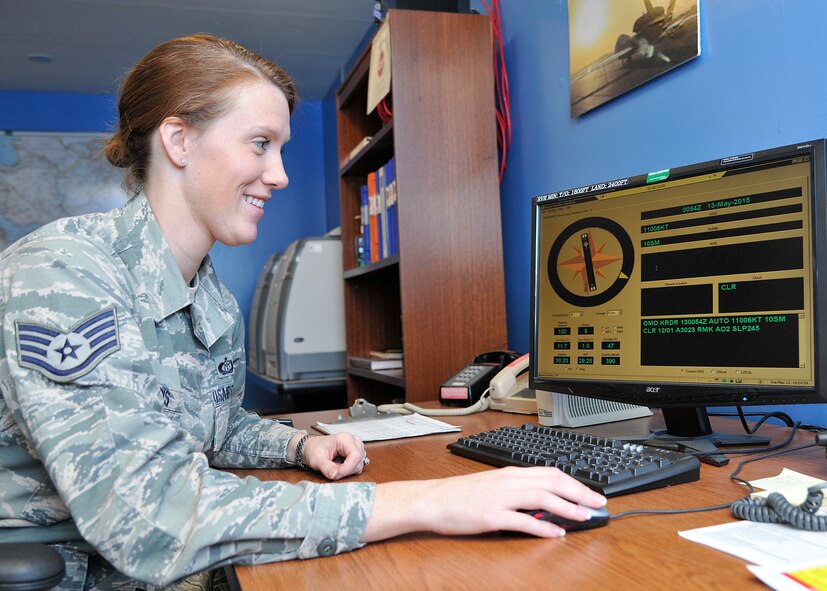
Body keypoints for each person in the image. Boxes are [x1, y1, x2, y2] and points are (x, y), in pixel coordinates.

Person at [0, 34, 606, 590]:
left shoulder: (207, 293)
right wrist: (429, 502)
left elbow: (214, 428)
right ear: (179, 141)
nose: (281, 175)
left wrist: (299, 447)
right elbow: (146, 513)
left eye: (282, 149)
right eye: (260, 144)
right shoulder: (64, 273)